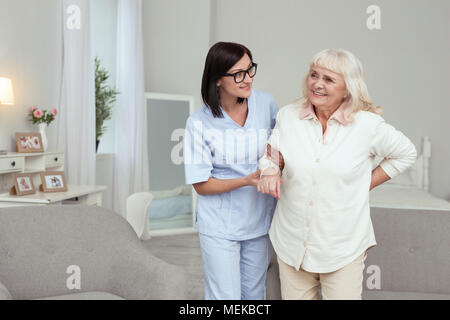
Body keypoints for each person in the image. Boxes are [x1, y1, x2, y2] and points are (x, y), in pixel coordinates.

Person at [257, 49, 417, 300]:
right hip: (291, 243)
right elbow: (271, 154)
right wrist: (269, 170)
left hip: (342, 247)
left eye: (329, 79)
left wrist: (366, 183)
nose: (317, 84)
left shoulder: (367, 126)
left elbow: (406, 153)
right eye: (314, 75)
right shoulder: (288, 116)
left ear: (347, 88)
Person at [184, 42, 279, 299]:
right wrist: (246, 180)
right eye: (238, 74)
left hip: (259, 221)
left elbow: (280, 146)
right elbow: (201, 184)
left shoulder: (266, 103)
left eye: (250, 70)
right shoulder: (199, 123)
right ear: (217, 79)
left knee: (254, 296)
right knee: (225, 297)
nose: (247, 79)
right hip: (219, 225)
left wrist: (276, 168)